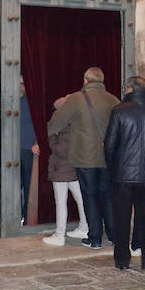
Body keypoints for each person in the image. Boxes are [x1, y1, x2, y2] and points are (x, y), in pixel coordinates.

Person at [47, 67, 120, 249]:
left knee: (90, 197)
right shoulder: (113, 100)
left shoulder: (76, 99)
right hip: (108, 158)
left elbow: (56, 123)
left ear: (85, 80)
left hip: (85, 157)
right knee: (108, 197)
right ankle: (113, 236)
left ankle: (94, 238)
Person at [104, 76, 145, 271]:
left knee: (121, 219)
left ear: (129, 88)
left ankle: (122, 260)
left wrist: (112, 167)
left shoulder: (119, 111)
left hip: (122, 175)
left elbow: (109, 144)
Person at [42, 96, 89, 246]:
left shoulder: (65, 126)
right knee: (81, 199)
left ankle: (59, 235)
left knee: (61, 202)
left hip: (62, 168)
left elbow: (62, 150)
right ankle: (84, 227)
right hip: (73, 167)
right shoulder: (76, 123)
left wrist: (52, 139)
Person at [19, 75, 38, 226]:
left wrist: (37, 142)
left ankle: (26, 218)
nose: (21, 87)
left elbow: (42, 123)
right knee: (11, 187)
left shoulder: (32, 102)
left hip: (27, 150)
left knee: (27, 187)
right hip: (9, 152)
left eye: (24, 84)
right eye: (19, 83)